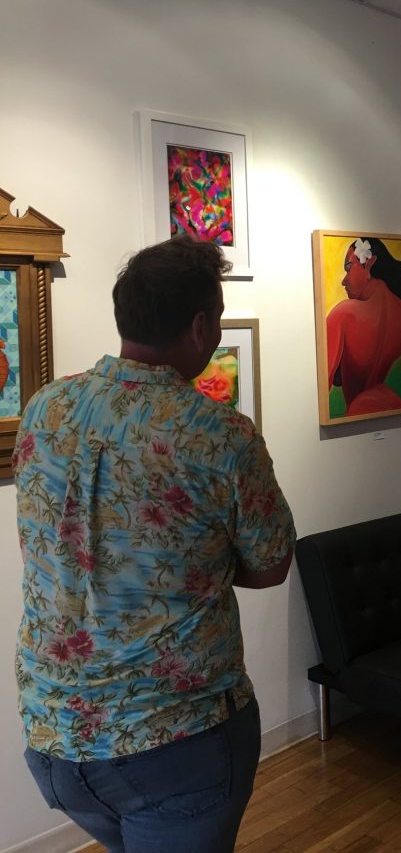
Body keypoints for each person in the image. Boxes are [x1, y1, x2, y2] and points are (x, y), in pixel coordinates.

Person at [14, 236, 296, 853]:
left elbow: (59, 543)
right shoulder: (220, 435)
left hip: (55, 738)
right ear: (200, 326)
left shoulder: (45, 408)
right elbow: (272, 565)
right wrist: (200, 568)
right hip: (173, 738)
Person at [326, 237, 401, 417]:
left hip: (359, 410)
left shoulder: (343, 315)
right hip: (395, 407)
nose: (344, 281)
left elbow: (325, 380)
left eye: (348, 268)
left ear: (369, 263)